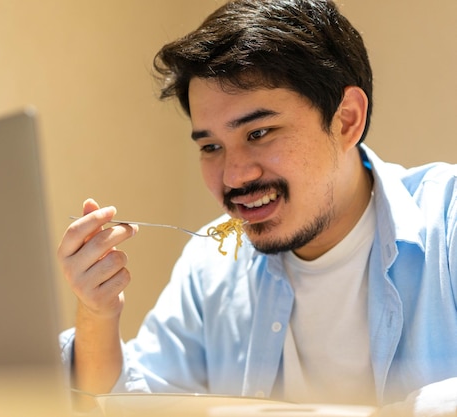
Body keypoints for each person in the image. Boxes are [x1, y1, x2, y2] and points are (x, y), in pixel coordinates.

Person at [58, 0, 457, 414]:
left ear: (346, 120)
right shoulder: (210, 269)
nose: (233, 177)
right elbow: (126, 406)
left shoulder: (448, 222)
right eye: (211, 146)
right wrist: (97, 314)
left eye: (259, 132)